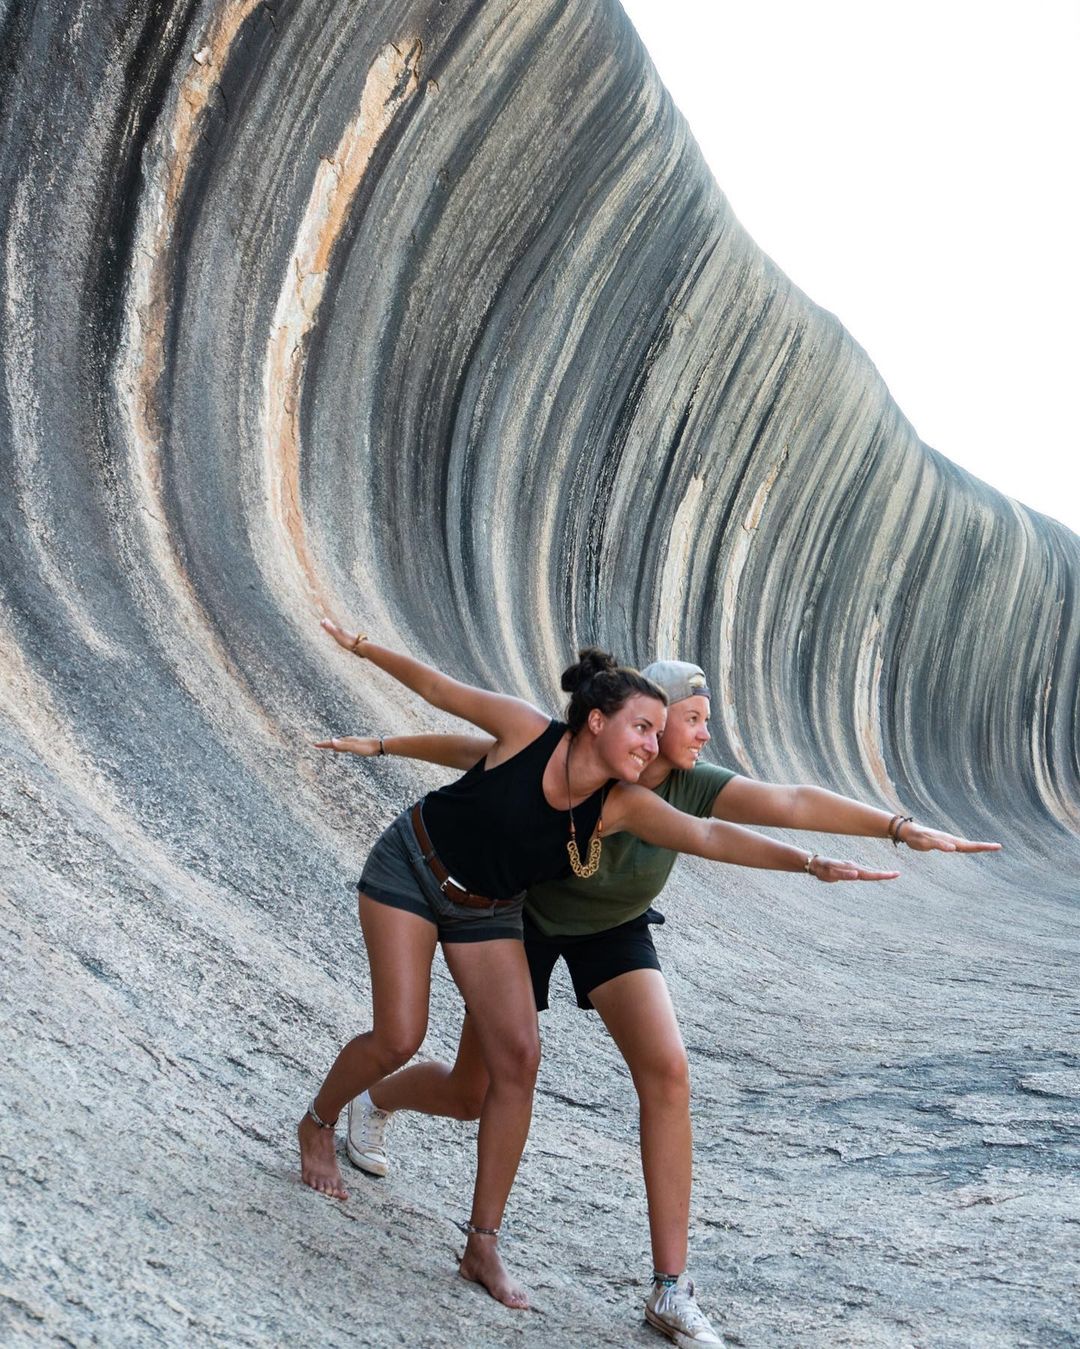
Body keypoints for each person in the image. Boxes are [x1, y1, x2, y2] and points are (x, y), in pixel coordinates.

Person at [318, 657, 1000, 1344]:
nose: (703, 734)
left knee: (669, 1072)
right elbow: (472, 748)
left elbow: (789, 802)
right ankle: (380, 1099)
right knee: (474, 1090)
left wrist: (895, 826)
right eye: (693, 718)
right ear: (643, 717)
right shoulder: (583, 756)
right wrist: (379, 744)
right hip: (518, 915)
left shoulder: (689, 785)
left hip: (614, 929)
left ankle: (670, 1288)